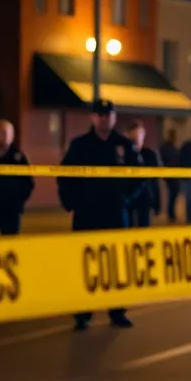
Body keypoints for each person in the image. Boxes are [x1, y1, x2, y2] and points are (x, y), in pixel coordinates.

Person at [59, 100, 143, 330]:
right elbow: (63, 175)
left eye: (108, 115)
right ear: (93, 117)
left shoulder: (124, 146)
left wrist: (125, 199)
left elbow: (140, 175)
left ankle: (117, 311)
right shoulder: (80, 145)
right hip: (86, 214)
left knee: (116, 264)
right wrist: (70, 203)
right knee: (84, 264)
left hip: (115, 213)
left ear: (114, 118)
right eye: (100, 115)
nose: (104, 119)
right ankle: (82, 313)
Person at [125, 120, 161, 228]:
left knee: (144, 227)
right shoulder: (123, 155)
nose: (136, 138)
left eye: (139, 135)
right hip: (128, 197)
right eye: (134, 135)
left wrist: (157, 202)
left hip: (145, 198)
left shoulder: (150, 154)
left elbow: (155, 181)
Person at [159, 128, 181, 222]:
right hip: (170, 175)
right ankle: (170, 213)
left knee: (174, 194)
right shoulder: (167, 147)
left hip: (175, 175)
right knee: (172, 194)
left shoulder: (172, 147)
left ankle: (171, 213)